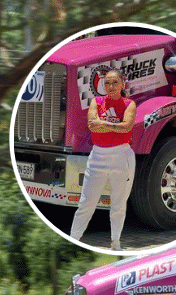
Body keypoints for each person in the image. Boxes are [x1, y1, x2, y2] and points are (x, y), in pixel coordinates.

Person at [70, 69, 136, 251]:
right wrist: (115, 126)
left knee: (118, 202)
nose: (110, 86)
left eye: (115, 82)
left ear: (123, 84)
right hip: (98, 155)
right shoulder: (96, 101)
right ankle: (73, 240)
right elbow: (93, 127)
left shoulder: (129, 104)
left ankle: (116, 243)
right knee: (86, 202)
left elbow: (127, 127)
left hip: (122, 156)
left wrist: (104, 124)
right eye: (107, 83)